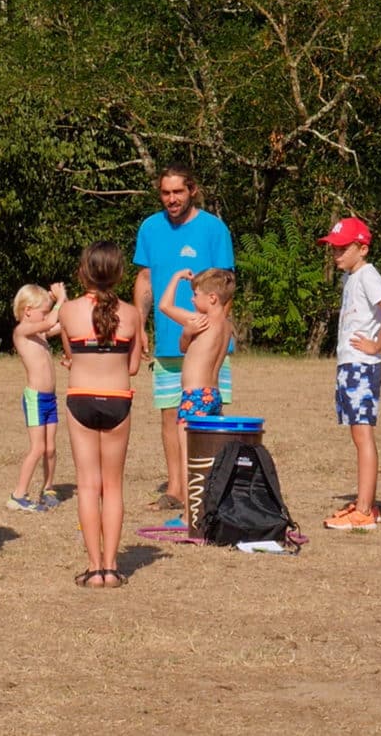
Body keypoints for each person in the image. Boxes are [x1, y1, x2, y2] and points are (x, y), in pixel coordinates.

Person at [133, 163, 234, 510]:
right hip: (167, 340)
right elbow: (145, 280)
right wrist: (138, 326)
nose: (171, 199)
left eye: (178, 191)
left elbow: (226, 285)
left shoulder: (214, 229)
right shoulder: (149, 228)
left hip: (205, 346)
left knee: (208, 420)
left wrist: (220, 335)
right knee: (169, 414)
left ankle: (210, 487)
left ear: (192, 190)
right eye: (165, 192)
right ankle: (176, 489)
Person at [59, 241, 142, 588]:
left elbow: (70, 356)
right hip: (117, 399)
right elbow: (134, 366)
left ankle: (93, 568)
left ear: (83, 272)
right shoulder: (133, 314)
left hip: (80, 399)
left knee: (88, 486)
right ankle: (111, 567)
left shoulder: (68, 312)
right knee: (113, 486)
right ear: (119, 274)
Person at [318, 217, 381, 530]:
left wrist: (376, 344)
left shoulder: (367, 275)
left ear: (362, 248)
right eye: (333, 248)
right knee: (357, 433)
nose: (336, 254)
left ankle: (364, 512)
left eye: (342, 248)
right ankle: (365, 504)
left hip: (362, 366)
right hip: (350, 365)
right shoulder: (351, 278)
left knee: (362, 435)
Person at [158, 267, 236, 493]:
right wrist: (186, 332)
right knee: (209, 456)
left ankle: (187, 511)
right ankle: (207, 505)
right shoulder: (226, 326)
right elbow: (185, 348)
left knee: (188, 454)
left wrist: (174, 277)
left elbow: (164, 306)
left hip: (194, 396)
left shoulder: (201, 320)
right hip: (213, 395)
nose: (192, 299)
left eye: (196, 294)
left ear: (212, 298)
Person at [9, 281, 67, 512]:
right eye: (41, 312)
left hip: (50, 398)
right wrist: (59, 299)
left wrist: (61, 301)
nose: (45, 316)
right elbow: (53, 320)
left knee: (51, 448)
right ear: (27, 311)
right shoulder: (22, 331)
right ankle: (18, 494)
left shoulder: (39, 332)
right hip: (35, 398)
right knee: (38, 448)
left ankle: (48, 487)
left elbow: (61, 323)